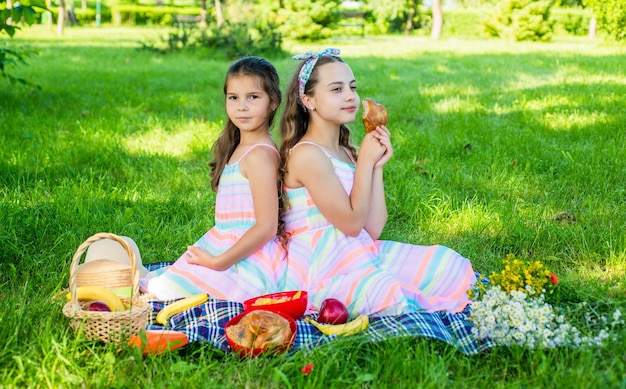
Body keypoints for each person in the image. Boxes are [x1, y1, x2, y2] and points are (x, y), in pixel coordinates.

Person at [278, 48, 477, 317]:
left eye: (352, 87)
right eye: (336, 89)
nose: (350, 96)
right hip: (323, 266)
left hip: (360, 252)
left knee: (448, 264)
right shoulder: (307, 155)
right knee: (388, 291)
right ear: (308, 100)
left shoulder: (345, 151)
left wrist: (376, 166)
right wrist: (364, 164)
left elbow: (371, 229)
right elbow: (351, 223)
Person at [141, 56, 286, 302]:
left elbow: (266, 227)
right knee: (158, 282)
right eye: (234, 97)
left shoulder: (260, 156)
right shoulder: (240, 147)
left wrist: (218, 262)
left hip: (247, 260)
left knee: (163, 290)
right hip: (224, 247)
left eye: (253, 97)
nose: (242, 106)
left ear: (272, 102)